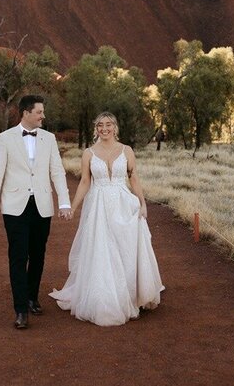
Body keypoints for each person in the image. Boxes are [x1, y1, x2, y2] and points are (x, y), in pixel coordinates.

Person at [49, 111, 163, 326]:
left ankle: (130, 295)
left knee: (125, 249)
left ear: (115, 127)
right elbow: (84, 182)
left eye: (108, 124)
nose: (104, 128)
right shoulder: (89, 153)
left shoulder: (126, 150)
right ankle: (106, 299)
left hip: (124, 203)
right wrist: (72, 207)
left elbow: (133, 177)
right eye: (100, 125)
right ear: (96, 128)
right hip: (98, 205)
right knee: (103, 249)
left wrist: (143, 203)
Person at [0, 94, 72, 329]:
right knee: (18, 256)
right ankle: (20, 309)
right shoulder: (5, 139)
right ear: (26, 113)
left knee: (38, 254)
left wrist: (64, 202)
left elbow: (57, 171)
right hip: (15, 205)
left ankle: (32, 297)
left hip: (42, 204)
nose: (43, 116)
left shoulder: (49, 138)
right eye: (39, 112)